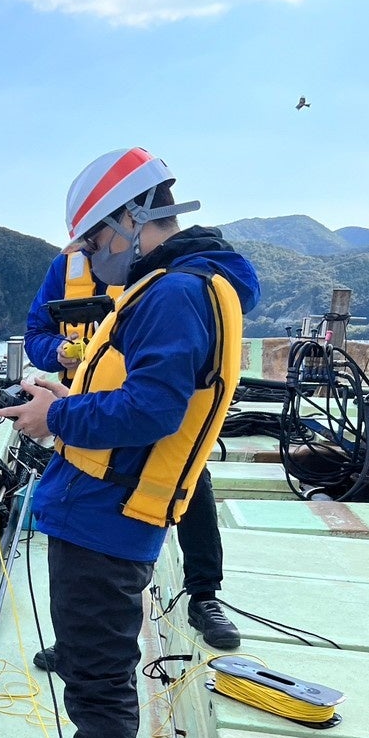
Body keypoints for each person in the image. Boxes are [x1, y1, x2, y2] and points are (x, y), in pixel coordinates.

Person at [0, 148, 260, 738]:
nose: (87, 256)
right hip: (107, 509)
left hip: (105, 518)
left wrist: (55, 416)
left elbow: (149, 407)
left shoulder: (173, 294)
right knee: (93, 666)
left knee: (96, 679)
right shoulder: (180, 287)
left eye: (90, 241)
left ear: (130, 219)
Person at [25, 247, 241, 651]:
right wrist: (57, 352)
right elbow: (35, 334)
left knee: (190, 483)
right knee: (82, 516)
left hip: (155, 406)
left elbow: (237, 287)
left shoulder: (175, 277)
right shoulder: (66, 266)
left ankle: (204, 595)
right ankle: (78, 638)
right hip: (84, 405)